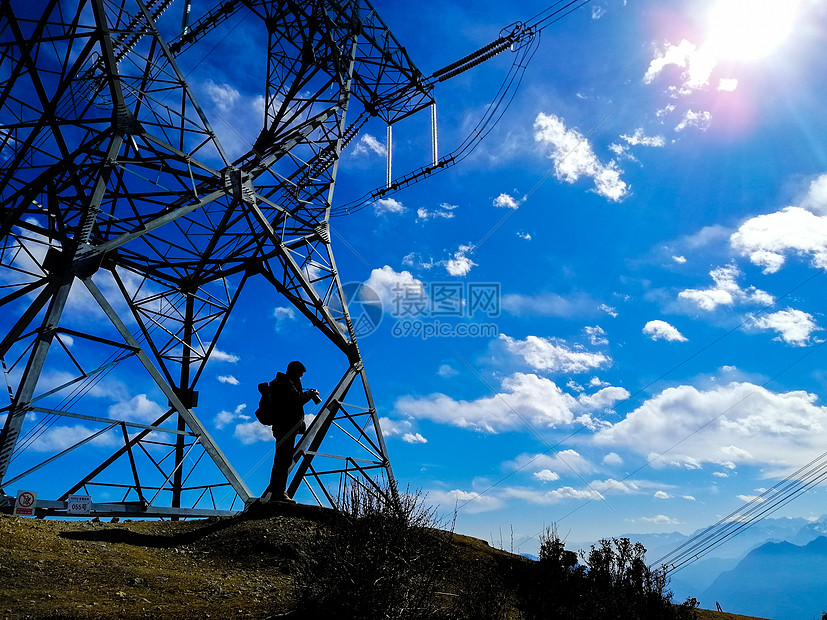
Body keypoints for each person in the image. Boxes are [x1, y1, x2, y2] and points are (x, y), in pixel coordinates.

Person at [262, 360, 319, 504]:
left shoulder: (284, 383)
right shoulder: (284, 384)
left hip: (286, 427)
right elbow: (293, 402)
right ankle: (278, 493)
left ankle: (278, 492)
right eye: (300, 375)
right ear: (294, 372)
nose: (301, 378)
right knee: (283, 459)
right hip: (285, 426)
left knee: (283, 459)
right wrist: (309, 395)